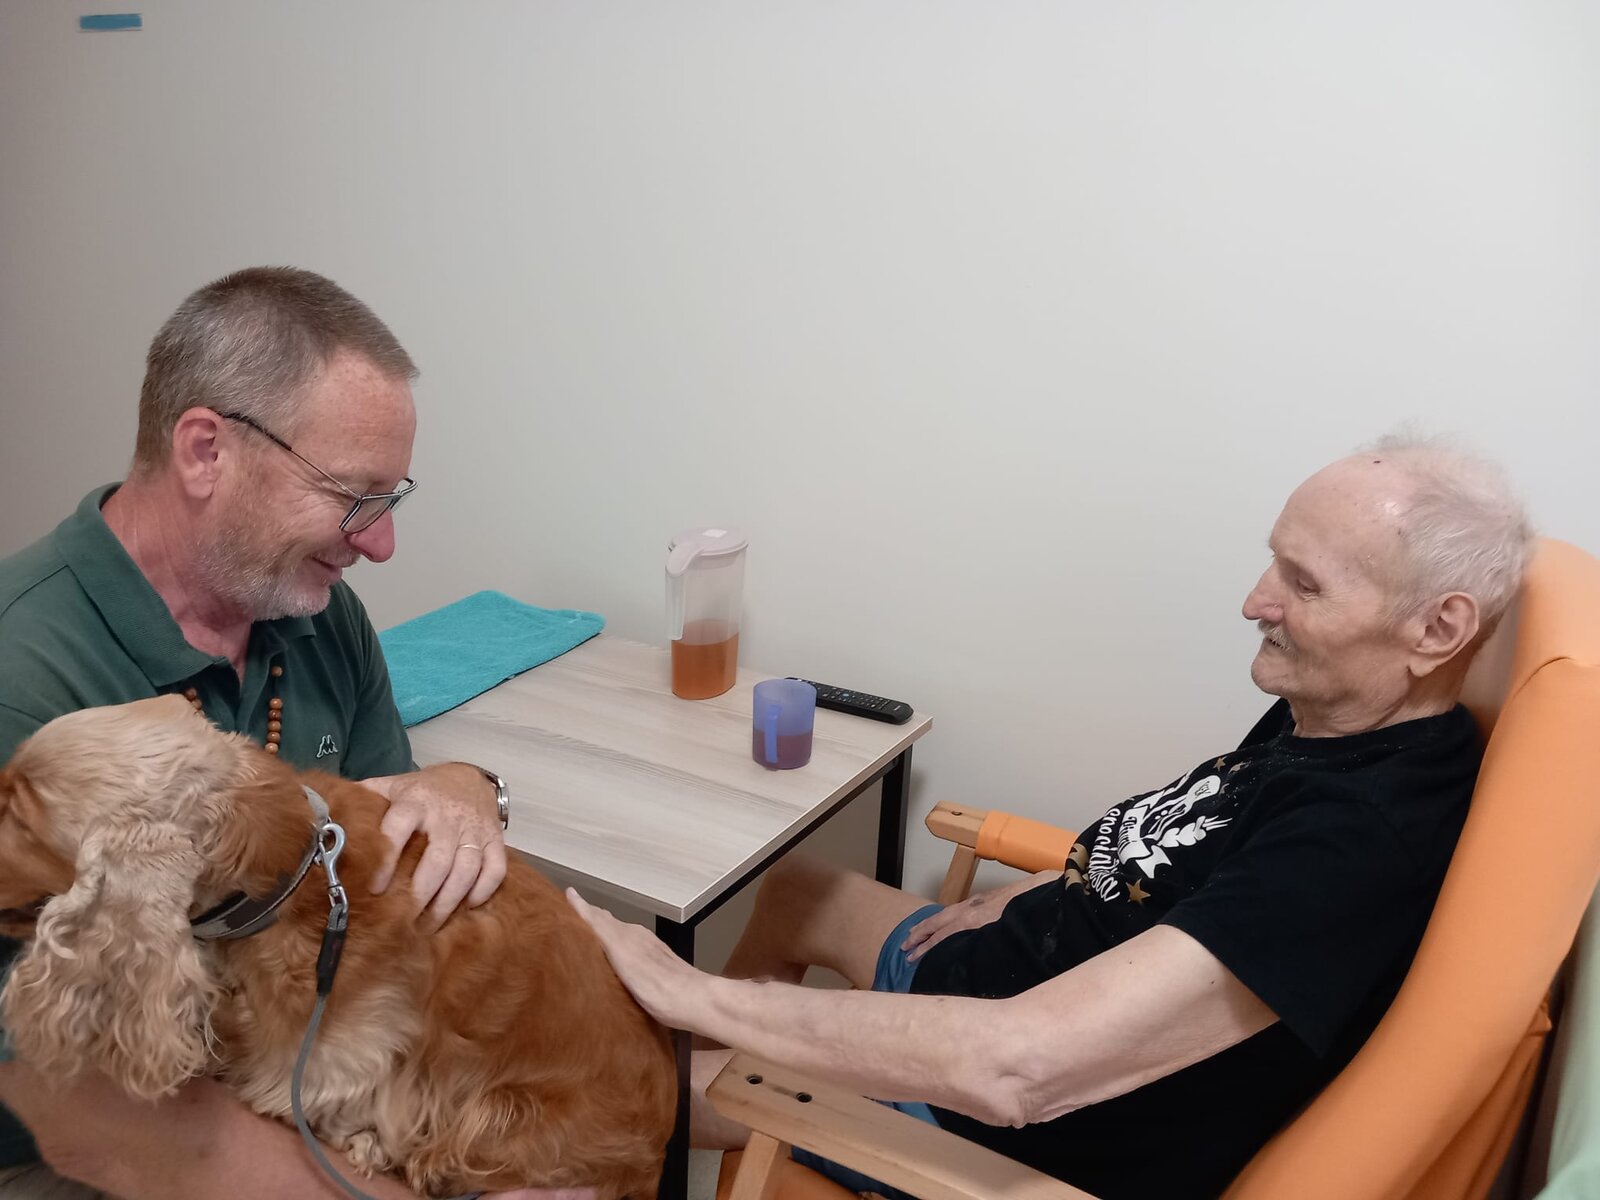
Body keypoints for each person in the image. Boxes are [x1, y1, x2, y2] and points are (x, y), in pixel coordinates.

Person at [569, 435, 1534, 1200]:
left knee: (613, 1089)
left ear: (1437, 628)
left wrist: (697, 997)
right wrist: (1049, 883)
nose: (1256, 602)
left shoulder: (1356, 846)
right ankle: (730, 1080)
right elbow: (1193, 850)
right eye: (1272, 564)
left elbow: (1020, 1069)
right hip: (996, 966)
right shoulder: (1342, 708)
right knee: (798, 890)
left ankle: (714, 1106)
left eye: (1304, 583)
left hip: (998, 1114)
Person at [0, 268, 585, 1200]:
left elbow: (381, 875)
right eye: (352, 494)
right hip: (86, 1139)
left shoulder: (316, 612)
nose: (379, 544)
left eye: (390, 500)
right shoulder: (21, 674)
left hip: (292, 1085)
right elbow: (90, 1128)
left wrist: (462, 784)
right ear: (205, 452)